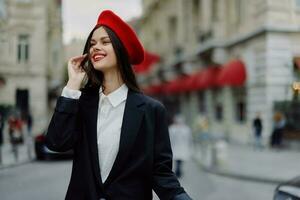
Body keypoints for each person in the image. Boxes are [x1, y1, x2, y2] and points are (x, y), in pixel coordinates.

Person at [46, 10, 192, 200]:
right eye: (92, 44)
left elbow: (161, 173)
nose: (95, 48)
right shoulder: (80, 102)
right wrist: (73, 84)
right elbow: (56, 143)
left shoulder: (150, 110)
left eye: (105, 42)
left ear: (121, 49)